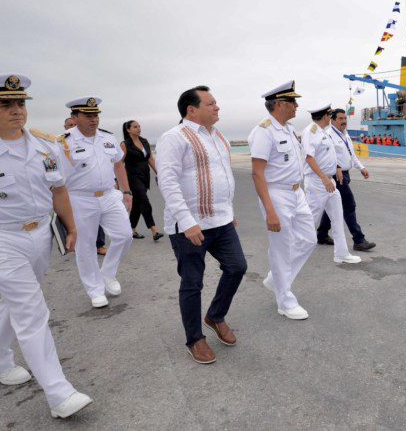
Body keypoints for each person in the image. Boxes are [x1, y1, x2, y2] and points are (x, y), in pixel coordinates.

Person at [0, 75, 92, 418]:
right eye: (5, 104)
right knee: (31, 308)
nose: (16, 110)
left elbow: (59, 189)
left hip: (39, 236)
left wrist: (72, 227)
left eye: (20, 103)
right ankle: (59, 393)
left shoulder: (45, 145)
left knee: (16, 300)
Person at [156, 86, 246, 364]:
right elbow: (167, 182)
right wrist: (187, 221)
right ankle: (195, 339)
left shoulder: (218, 137)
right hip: (190, 227)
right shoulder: (174, 138)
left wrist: (228, 211)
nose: (217, 107)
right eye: (211, 103)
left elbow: (222, 177)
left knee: (237, 267)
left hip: (221, 221)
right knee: (192, 282)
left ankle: (215, 316)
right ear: (191, 110)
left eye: (216, 102)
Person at [247, 80, 316, 320]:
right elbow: (257, 173)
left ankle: (275, 279)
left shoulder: (287, 129)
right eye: (292, 101)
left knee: (309, 240)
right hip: (276, 194)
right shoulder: (264, 131)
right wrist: (270, 210)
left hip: (296, 192)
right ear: (279, 104)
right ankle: (285, 301)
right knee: (281, 249)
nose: (297, 106)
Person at [58, 97, 133, 308]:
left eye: (96, 115)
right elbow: (58, 179)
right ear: (75, 117)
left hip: (109, 195)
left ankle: (108, 273)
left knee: (125, 235)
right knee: (86, 245)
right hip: (80, 198)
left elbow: (119, 163)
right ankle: (95, 289)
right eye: (88, 116)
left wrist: (126, 191)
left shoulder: (107, 138)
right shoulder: (63, 142)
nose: (94, 119)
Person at [300, 103, 361, 264]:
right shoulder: (311, 132)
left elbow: (327, 156)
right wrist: (324, 178)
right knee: (310, 220)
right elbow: (309, 157)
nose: (331, 117)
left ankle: (341, 254)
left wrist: (336, 169)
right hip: (317, 182)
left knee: (337, 217)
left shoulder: (322, 132)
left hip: (329, 180)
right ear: (326, 116)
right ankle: (292, 253)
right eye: (330, 115)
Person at [318, 108, 376, 252]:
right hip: (337, 175)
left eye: (345, 119)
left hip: (345, 174)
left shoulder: (345, 134)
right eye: (340, 119)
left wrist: (361, 168)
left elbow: (351, 154)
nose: (344, 121)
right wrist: (336, 169)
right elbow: (327, 157)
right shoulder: (328, 135)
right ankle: (359, 240)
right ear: (332, 120)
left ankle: (322, 234)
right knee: (349, 205)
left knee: (333, 205)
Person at [64, 115, 107, 255]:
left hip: (98, 192)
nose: (72, 127)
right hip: (75, 194)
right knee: (80, 228)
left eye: (72, 125)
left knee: (98, 221)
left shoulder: (98, 139)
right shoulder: (62, 143)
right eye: (69, 125)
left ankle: (99, 244)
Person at [120, 120, 163, 241]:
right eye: (135, 127)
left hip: (145, 176)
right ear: (128, 130)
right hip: (132, 177)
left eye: (139, 126)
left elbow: (150, 159)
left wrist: (160, 174)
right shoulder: (125, 144)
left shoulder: (144, 141)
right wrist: (118, 181)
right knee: (144, 201)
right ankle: (154, 230)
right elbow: (119, 164)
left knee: (138, 205)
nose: (138, 128)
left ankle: (131, 229)